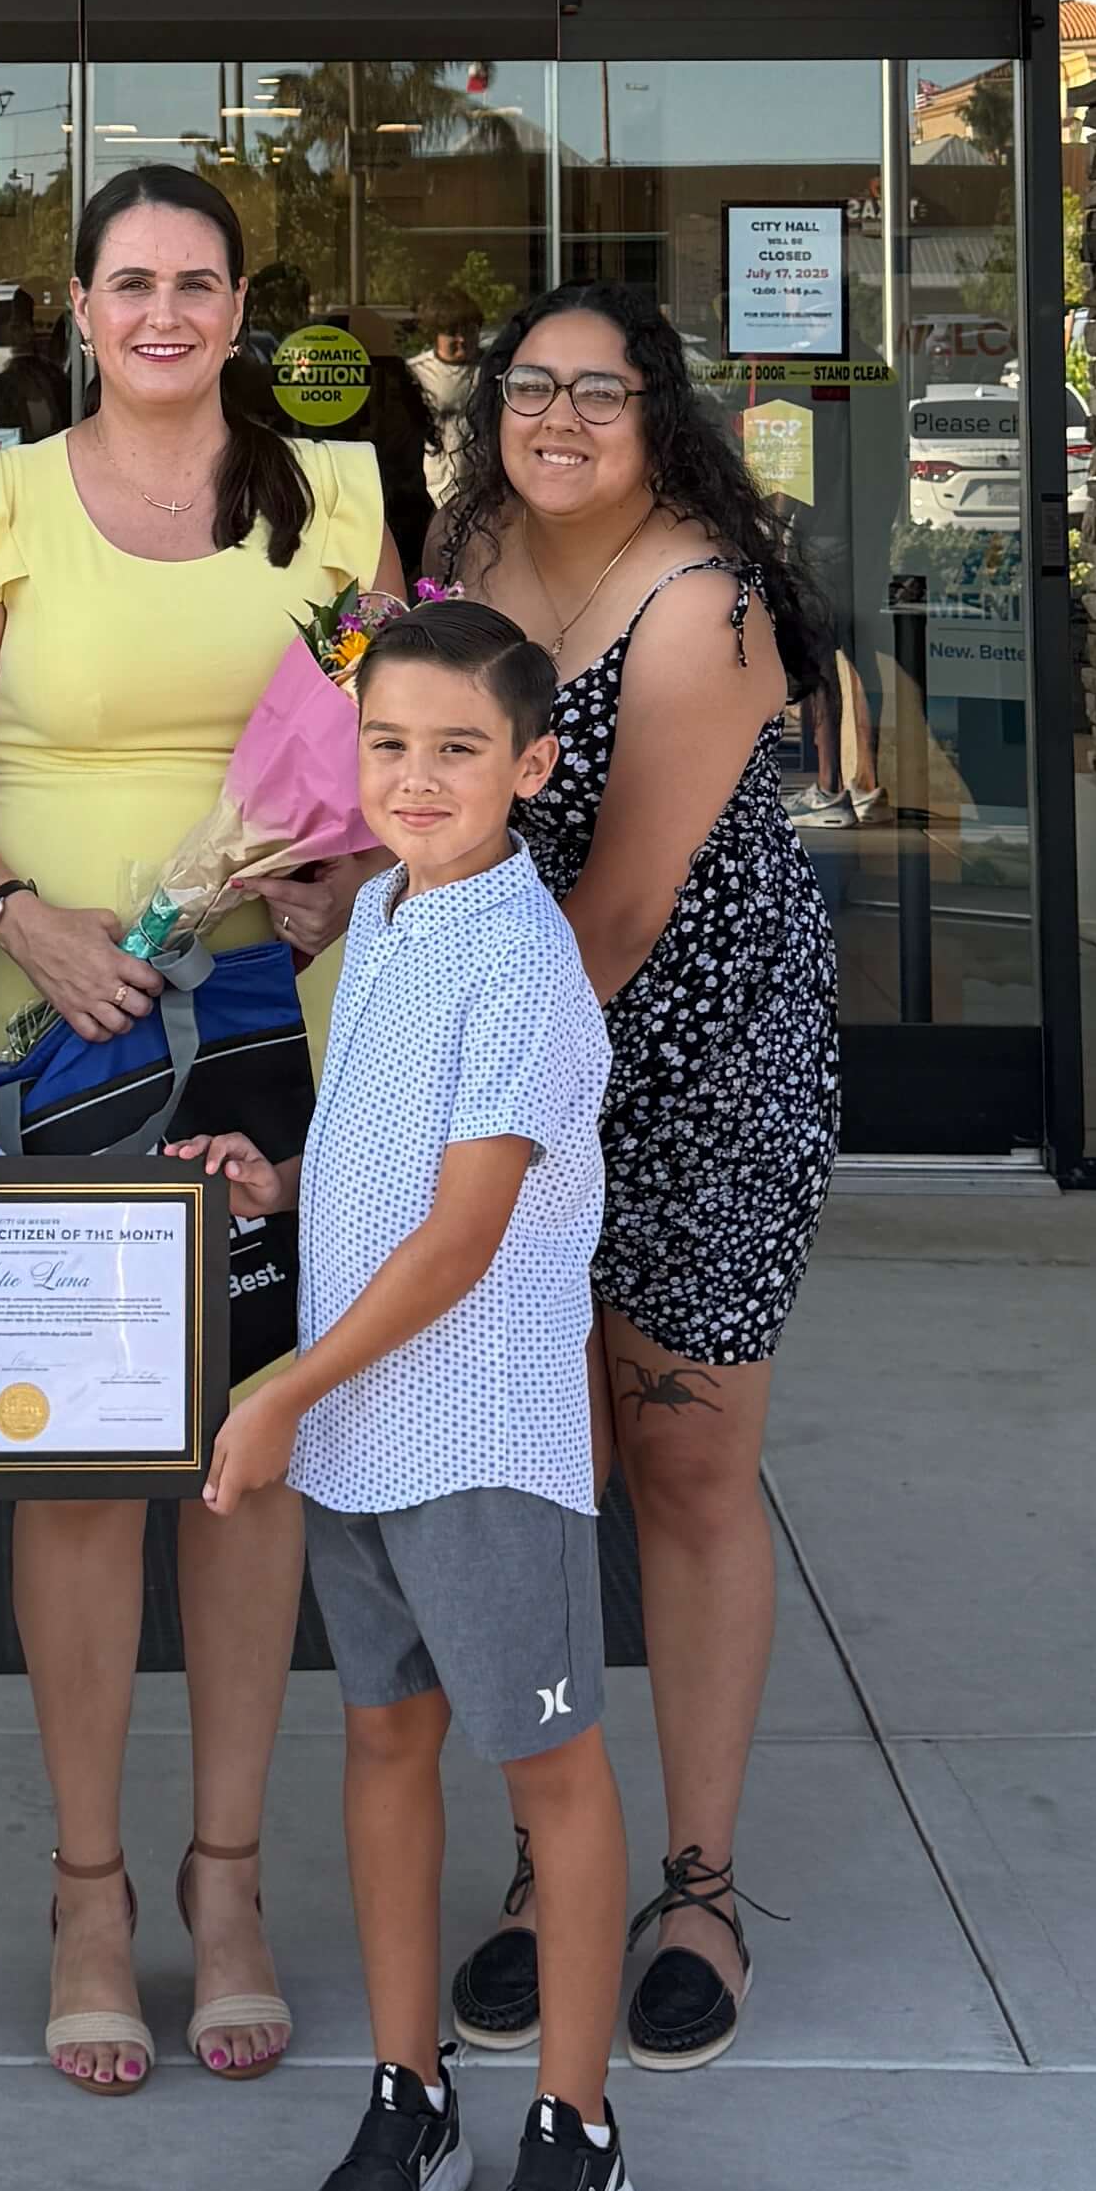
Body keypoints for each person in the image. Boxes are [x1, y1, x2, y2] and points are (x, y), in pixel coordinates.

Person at [0, 163, 398, 2093]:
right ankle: (90, 1887)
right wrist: (21, 918)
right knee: (87, 1459)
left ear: (241, 308)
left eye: (199, 283)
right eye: (131, 283)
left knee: (247, 1450)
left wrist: (354, 869)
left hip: (290, 1023)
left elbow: (393, 731)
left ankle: (231, 1878)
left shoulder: (338, 501)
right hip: (59, 1029)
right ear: (76, 307)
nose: (165, 312)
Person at [198, 599, 637, 2191]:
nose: (419, 777)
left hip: (479, 1432)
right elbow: (390, 1159)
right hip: (365, 1431)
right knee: (386, 1741)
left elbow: (465, 1235)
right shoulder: (378, 920)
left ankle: (577, 2129)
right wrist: (287, 1190)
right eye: (389, 745)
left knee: (550, 1774)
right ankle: (412, 2095)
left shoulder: (527, 960)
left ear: (532, 766)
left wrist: (283, 1385)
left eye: (461, 749)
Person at [428, 285, 840, 2077]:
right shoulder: (461, 551)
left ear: (662, 415)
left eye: (604, 390)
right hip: (525, 1070)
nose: (564, 417)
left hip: (692, 1075)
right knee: (540, 1466)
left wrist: (448, 1097)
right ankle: (548, 1863)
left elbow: (614, 911)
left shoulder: (703, 603)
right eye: (534, 386)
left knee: (681, 1463)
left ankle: (695, 1884)